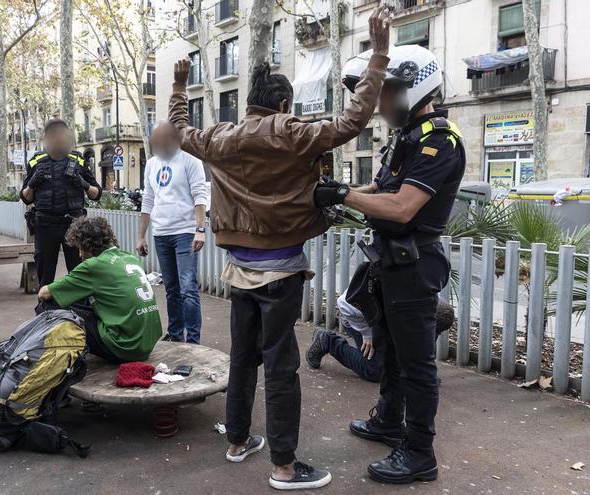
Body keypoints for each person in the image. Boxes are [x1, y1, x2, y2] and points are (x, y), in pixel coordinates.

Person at [168, 6, 391, 490]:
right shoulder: (291, 132)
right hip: (281, 269)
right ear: (285, 104)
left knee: (243, 357)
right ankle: (285, 468)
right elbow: (353, 121)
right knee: (282, 367)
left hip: (237, 270)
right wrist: (377, 58)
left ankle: (238, 441)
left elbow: (182, 133)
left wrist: (180, 88)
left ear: (249, 103)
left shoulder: (219, 137)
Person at [314, 44, 466, 484]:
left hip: (414, 264)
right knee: (392, 354)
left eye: (385, 92)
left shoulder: (440, 141)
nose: (379, 102)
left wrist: (343, 195)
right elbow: (378, 191)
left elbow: (400, 208)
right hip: (390, 263)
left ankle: (420, 453)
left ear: (412, 88)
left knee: (417, 365)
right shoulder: (405, 138)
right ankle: (387, 421)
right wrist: (346, 190)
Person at [38, 216, 162, 363]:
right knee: (81, 297)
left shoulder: (93, 265)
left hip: (125, 347)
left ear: (87, 246)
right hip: (146, 344)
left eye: (79, 248)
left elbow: (44, 293)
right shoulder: (130, 257)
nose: (79, 254)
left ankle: (58, 357)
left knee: (46, 305)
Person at [136, 121, 208, 344]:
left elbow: (200, 196)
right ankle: (176, 335)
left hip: (185, 232)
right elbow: (148, 199)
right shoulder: (151, 164)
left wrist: (200, 230)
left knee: (188, 289)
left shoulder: (190, 160)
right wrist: (141, 236)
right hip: (161, 233)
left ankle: (194, 341)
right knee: (172, 289)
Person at [306, 291, 456, 383]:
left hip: (387, 321)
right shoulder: (393, 297)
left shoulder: (426, 296)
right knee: (376, 370)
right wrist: (367, 333)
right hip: (360, 319)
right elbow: (344, 303)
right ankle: (329, 341)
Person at [20, 118, 101, 286]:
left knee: (79, 276)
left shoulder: (78, 160)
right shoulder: (36, 161)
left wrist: (83, 184)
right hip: (45, 226)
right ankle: (45, 310)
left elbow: (96, 194)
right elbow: (25, 197)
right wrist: (32, 183)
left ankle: (79, 310)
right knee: (45, 277)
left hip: (74, 225)